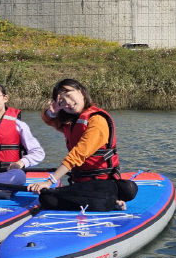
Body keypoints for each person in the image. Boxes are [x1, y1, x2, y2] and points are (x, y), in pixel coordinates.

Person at [27, 78, 137, 211]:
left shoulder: (97, 120)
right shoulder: (72, 122)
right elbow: (50, 120)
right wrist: (53, 111)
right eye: (62, 101)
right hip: (82, 185)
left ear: (81, 92)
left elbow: (78, 154)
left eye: (68, 94)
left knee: (47, 198)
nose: (67, 102)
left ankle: (111, 201)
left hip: (103, 183)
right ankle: (108, 202)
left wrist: (49, 181)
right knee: (48, 197)